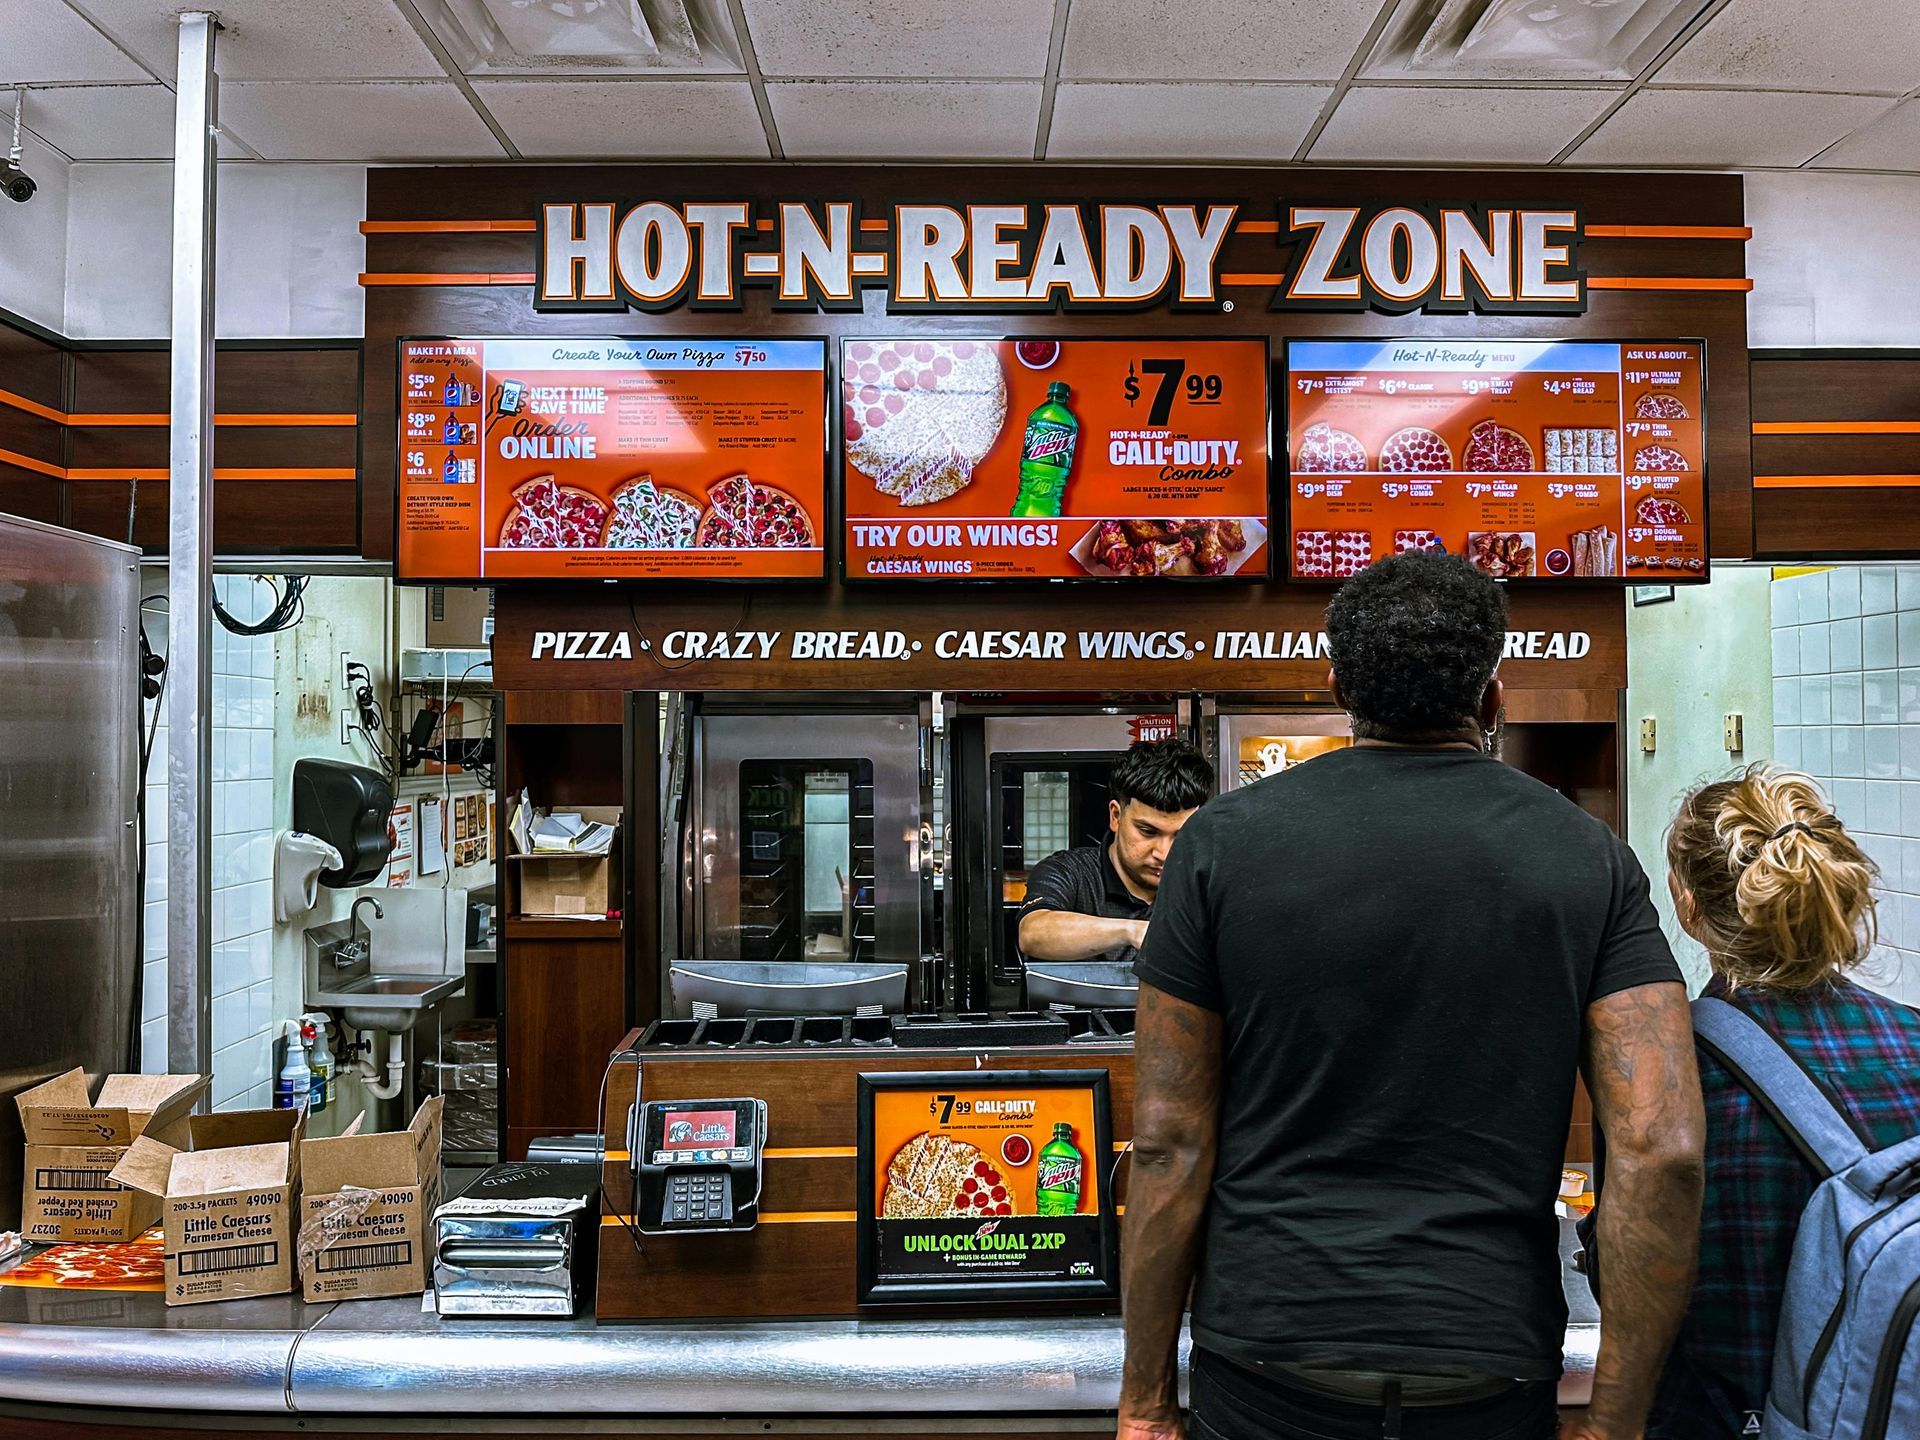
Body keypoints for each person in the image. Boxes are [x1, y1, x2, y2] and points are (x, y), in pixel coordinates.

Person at [1118, 550, 1706, 1440]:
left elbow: (1166, 1143)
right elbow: (1662, 1150)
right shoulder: (1587, 855)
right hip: (1486, 1366)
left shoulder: (1221, 848)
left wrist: (1146, 1401)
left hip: (1271, 1363)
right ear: (1493, 697)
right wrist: (1615, 1424)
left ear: (1337, 689)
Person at [1650, 766, 1920, 1439]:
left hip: (1722, 1417)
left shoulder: (1671, 1071)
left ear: (1687, 907)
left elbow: (1639, 1279)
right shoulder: (1914, 1039)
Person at [1017, 737, 1214, 967]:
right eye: (1148, 831)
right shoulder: (1071, 872)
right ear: (1116, 816)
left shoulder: (1204, 885)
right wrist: (1132, 931)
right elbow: (1032, 934)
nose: (1164, 853)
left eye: (1181, 835)